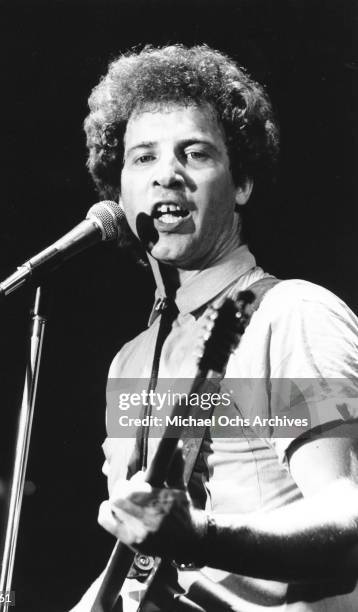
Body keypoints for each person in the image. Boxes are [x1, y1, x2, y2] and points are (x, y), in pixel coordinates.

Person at [70, 44, 358, 610]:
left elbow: (348, 515)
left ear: (242, 181)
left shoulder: (291, 313)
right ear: (120, 191)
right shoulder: (129, 361)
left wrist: (201, 536)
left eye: (195, 153)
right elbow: (140, 566)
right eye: (143, 158)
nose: (167, 176)